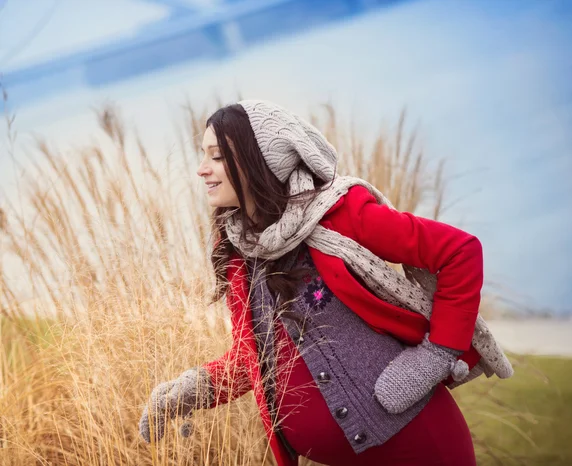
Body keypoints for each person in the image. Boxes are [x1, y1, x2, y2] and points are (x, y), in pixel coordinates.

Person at [139, 100, 513, 466]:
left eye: (217, 156)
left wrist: (435, 357)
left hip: (421, 448)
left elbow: (459, 252)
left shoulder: (338, 215)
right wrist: (192, 389)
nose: (202, 169)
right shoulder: (238, 251)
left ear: (261, 161)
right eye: (202, 156)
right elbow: (259, 357)